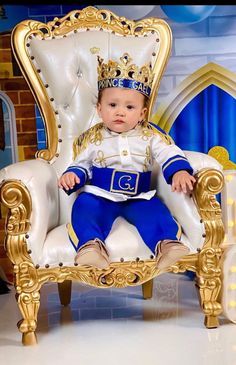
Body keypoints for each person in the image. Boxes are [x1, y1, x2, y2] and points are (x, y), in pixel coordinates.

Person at [58, 53, 196, 270]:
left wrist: (179, 171)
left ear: (141, 113)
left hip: (139, 196)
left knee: (155, 212)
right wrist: (73, 174)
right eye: (112, 105)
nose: (120, 112)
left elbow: (168, 153)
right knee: (84, 207)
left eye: (129, 108)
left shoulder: (149, 136)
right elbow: (82, 163)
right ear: (100, 110)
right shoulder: (94, 138)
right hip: (101, 195)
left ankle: (166, 244)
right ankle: (91, 246)